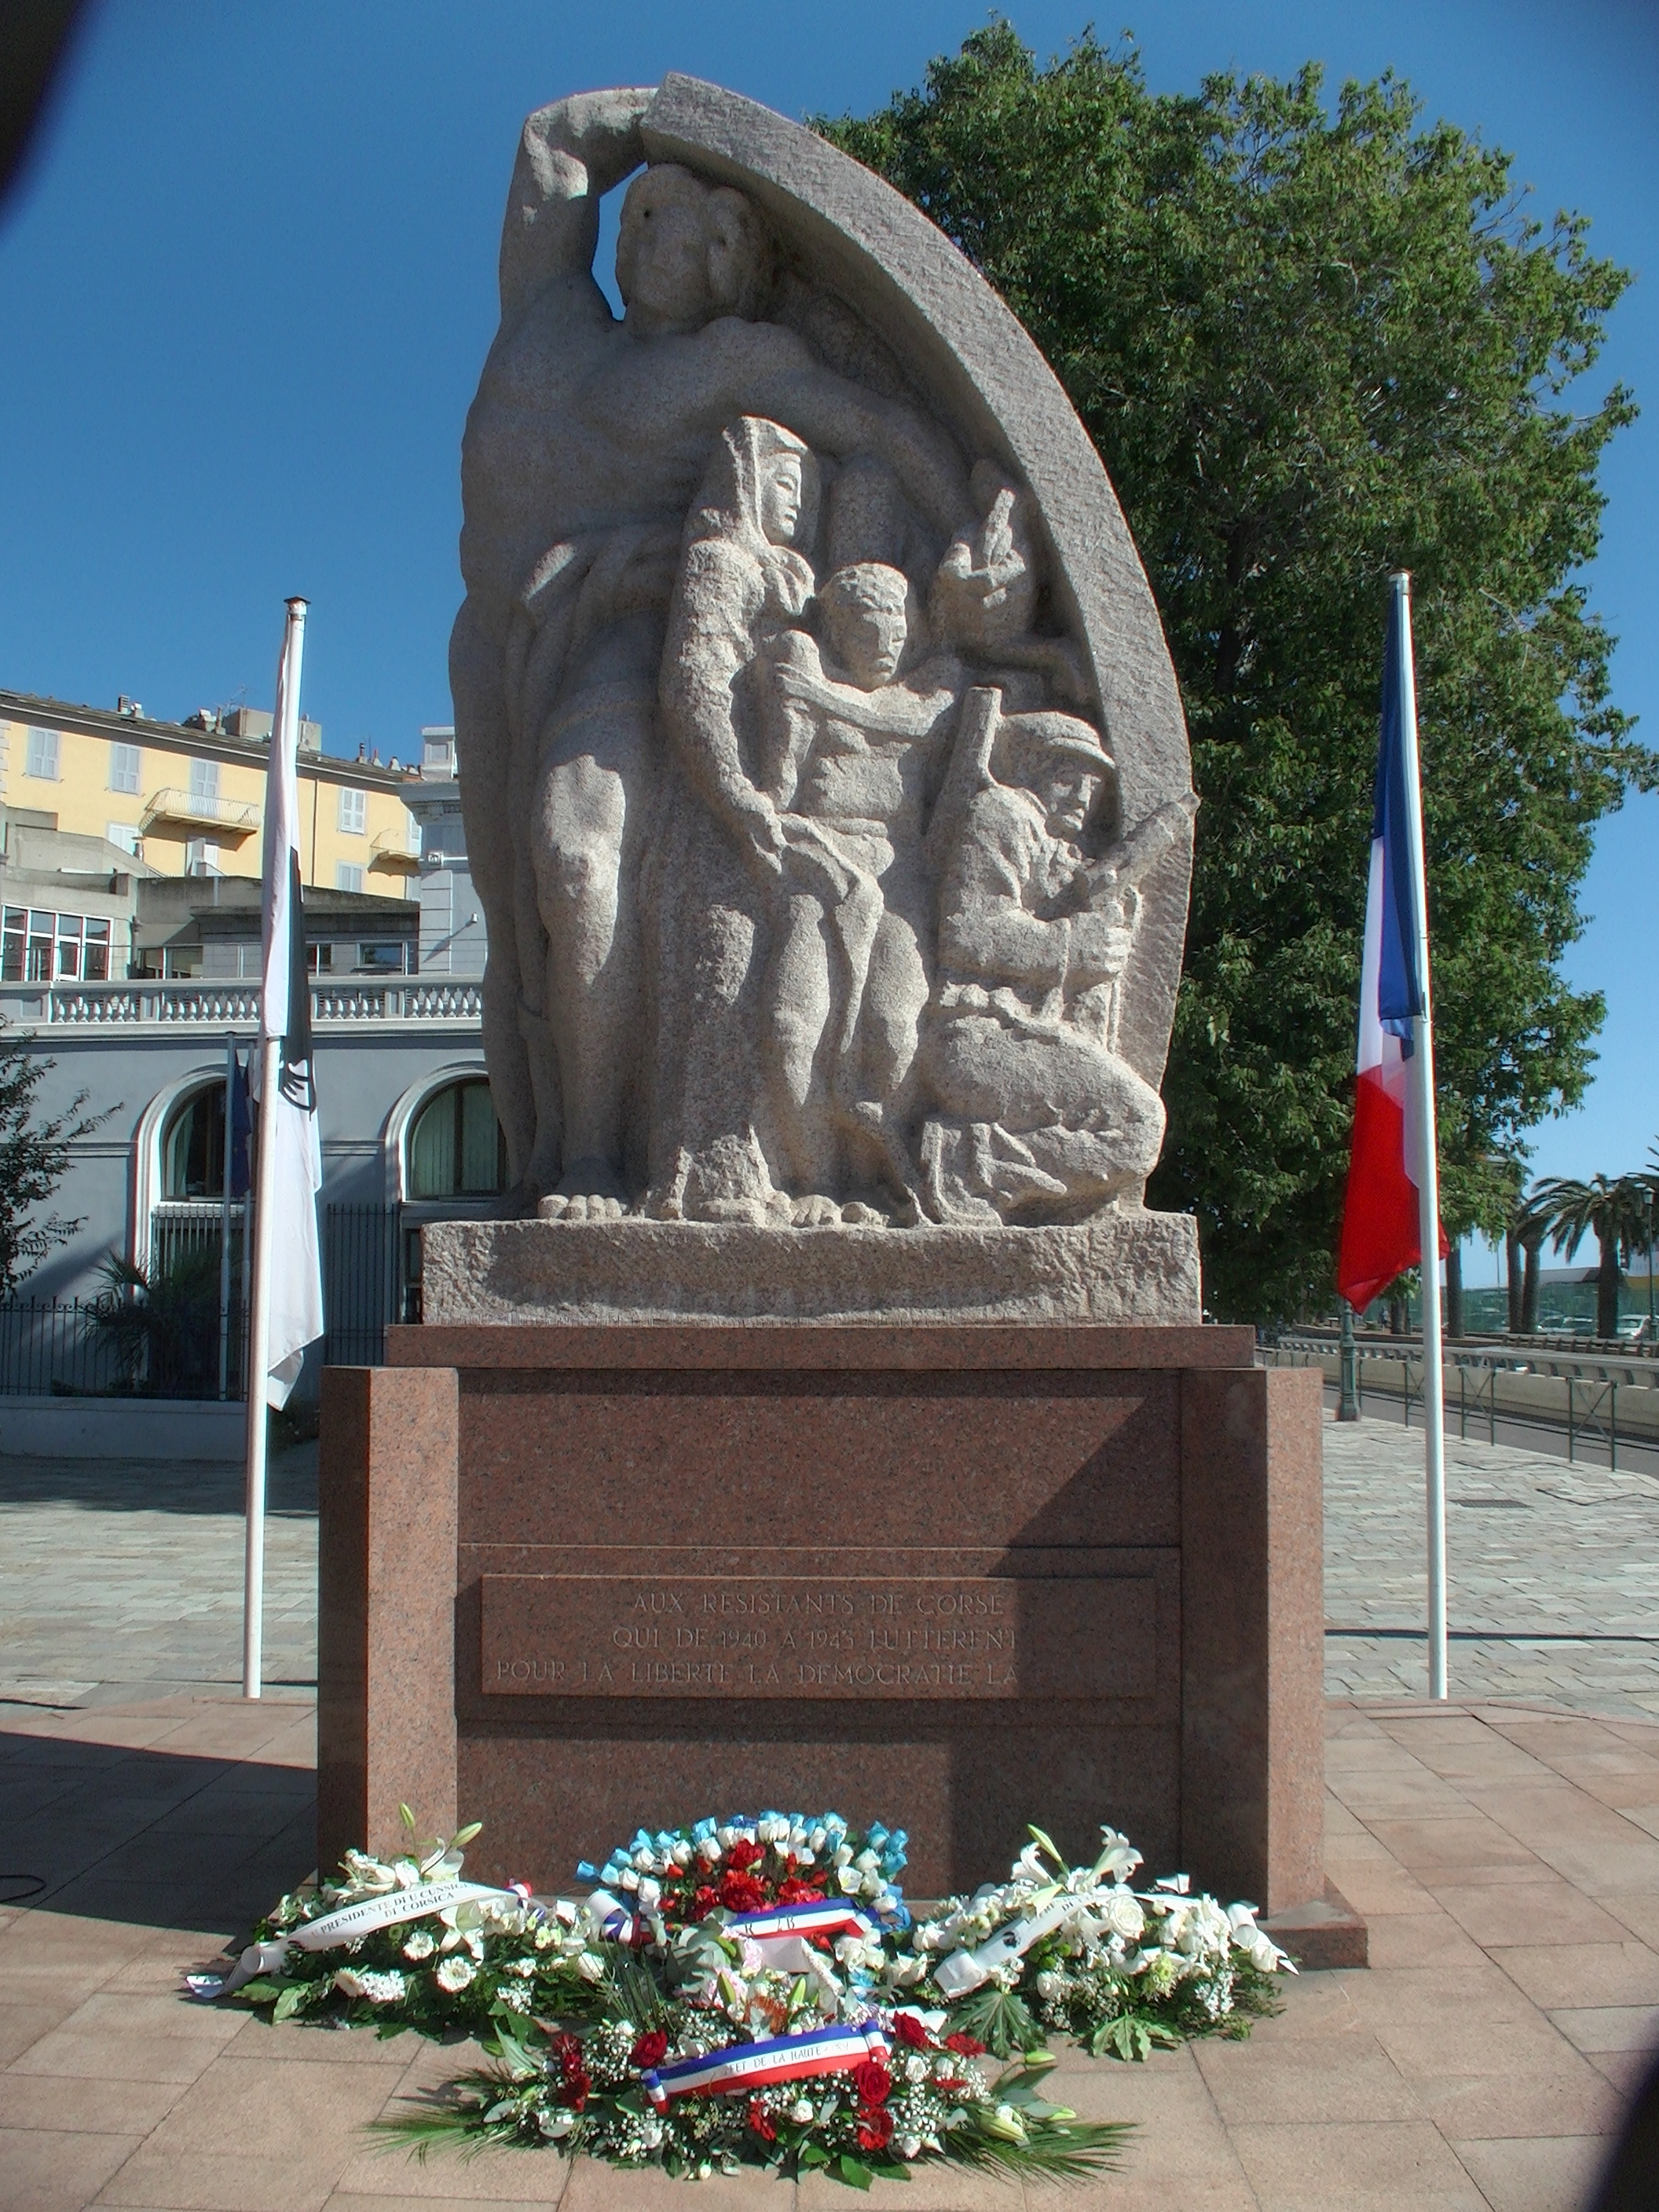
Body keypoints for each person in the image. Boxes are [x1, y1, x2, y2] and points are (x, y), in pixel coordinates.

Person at [452, 91, 972, 1210]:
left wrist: (976, 533)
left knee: (578, 866)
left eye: (681, 226)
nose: (648, 239)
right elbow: (549, 146)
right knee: (516, 921)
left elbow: (882, 429)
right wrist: (665, 114)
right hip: (504, 649)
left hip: (635, 644)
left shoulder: (738, 363)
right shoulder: (548, 321)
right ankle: (558, 1141)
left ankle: (596, 1160)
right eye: (640, 217)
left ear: (728, 259)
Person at [751, 562, 963, 1214]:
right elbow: (776, 802)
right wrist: (796, 708)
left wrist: (818, 697)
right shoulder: (804, 678)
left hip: (899, 875)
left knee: (896, 1029)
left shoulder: (928, 688)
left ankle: (874, 1177)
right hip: (819, 864)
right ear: (838, 631)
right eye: (869, 629)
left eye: (897, 627)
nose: (887, 642)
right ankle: (814, 1180)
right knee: (792, 1025)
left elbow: (931, 717)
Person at [917, 710, 1170, 1223]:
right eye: (1067, 776)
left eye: (1092, 786)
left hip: (1027, 1036)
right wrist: (1072, 946)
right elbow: (968, 931)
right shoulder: (1002, 813)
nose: (1082, 796)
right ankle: (967, 1163)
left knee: (1139, 1130)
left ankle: (990, 1164)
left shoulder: (1058, 847)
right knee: (1138, 1127)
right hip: (982, 1036)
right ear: (1028, 768)